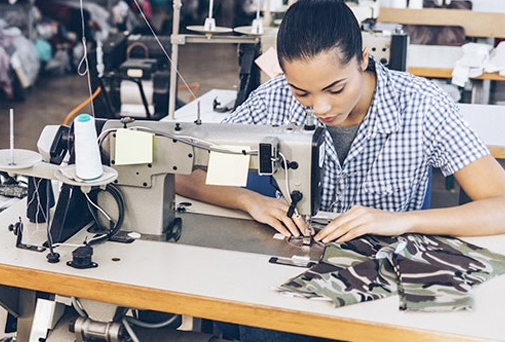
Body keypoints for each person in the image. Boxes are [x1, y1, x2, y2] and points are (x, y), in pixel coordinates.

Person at [175, 0, 505, 246]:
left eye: (336, 88)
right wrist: (250, 200)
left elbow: (500, 205)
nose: (321, 107)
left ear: (363, 57)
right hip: (291, 270)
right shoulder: (274, 99)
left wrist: (402, 221)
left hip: (382, 275)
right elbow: (184, 171)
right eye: (301, 91)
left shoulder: (422, 105)